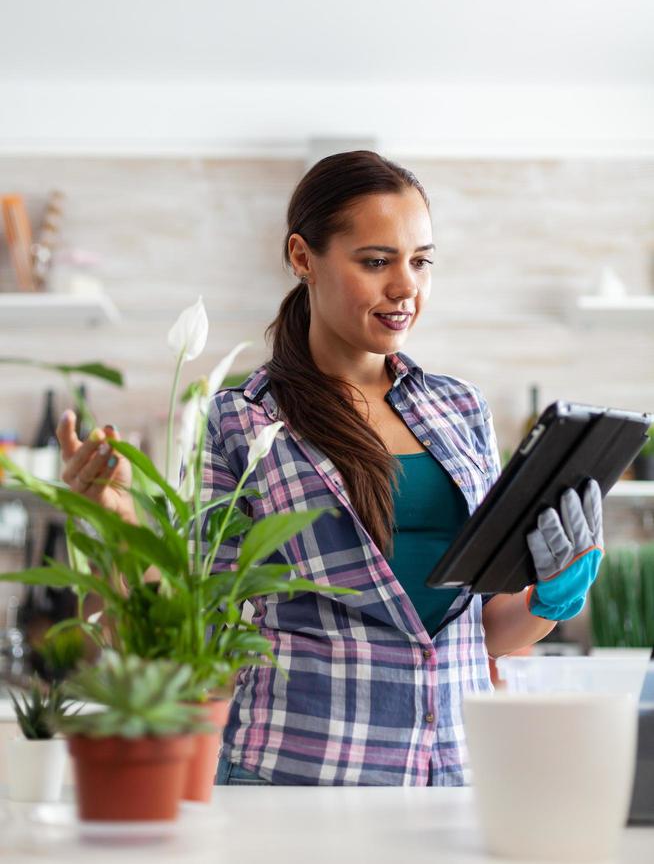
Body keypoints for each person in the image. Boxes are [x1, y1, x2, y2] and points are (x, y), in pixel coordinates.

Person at [56, 151, 604, 787]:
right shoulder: (241, 422)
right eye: (376, 261)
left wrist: (557, 591)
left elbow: (485, 633)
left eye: (421, 261)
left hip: (453, 776)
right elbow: (191, 633)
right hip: (297, 776)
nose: (407, 287)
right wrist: (118, 521)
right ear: (301, 257)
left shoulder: (461, 409)